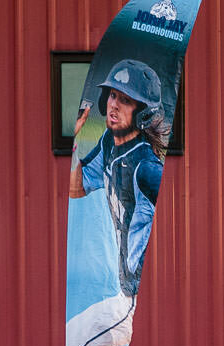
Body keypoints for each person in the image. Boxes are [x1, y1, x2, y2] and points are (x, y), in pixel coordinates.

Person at [70, 59, 169, 298]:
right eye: (113, 95)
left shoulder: (146, 168)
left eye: (125, 100)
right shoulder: (108, 142)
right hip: (123, 286)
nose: (114, 105)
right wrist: (71, 140)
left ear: (143, 112)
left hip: (139, 289)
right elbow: (76, 188)